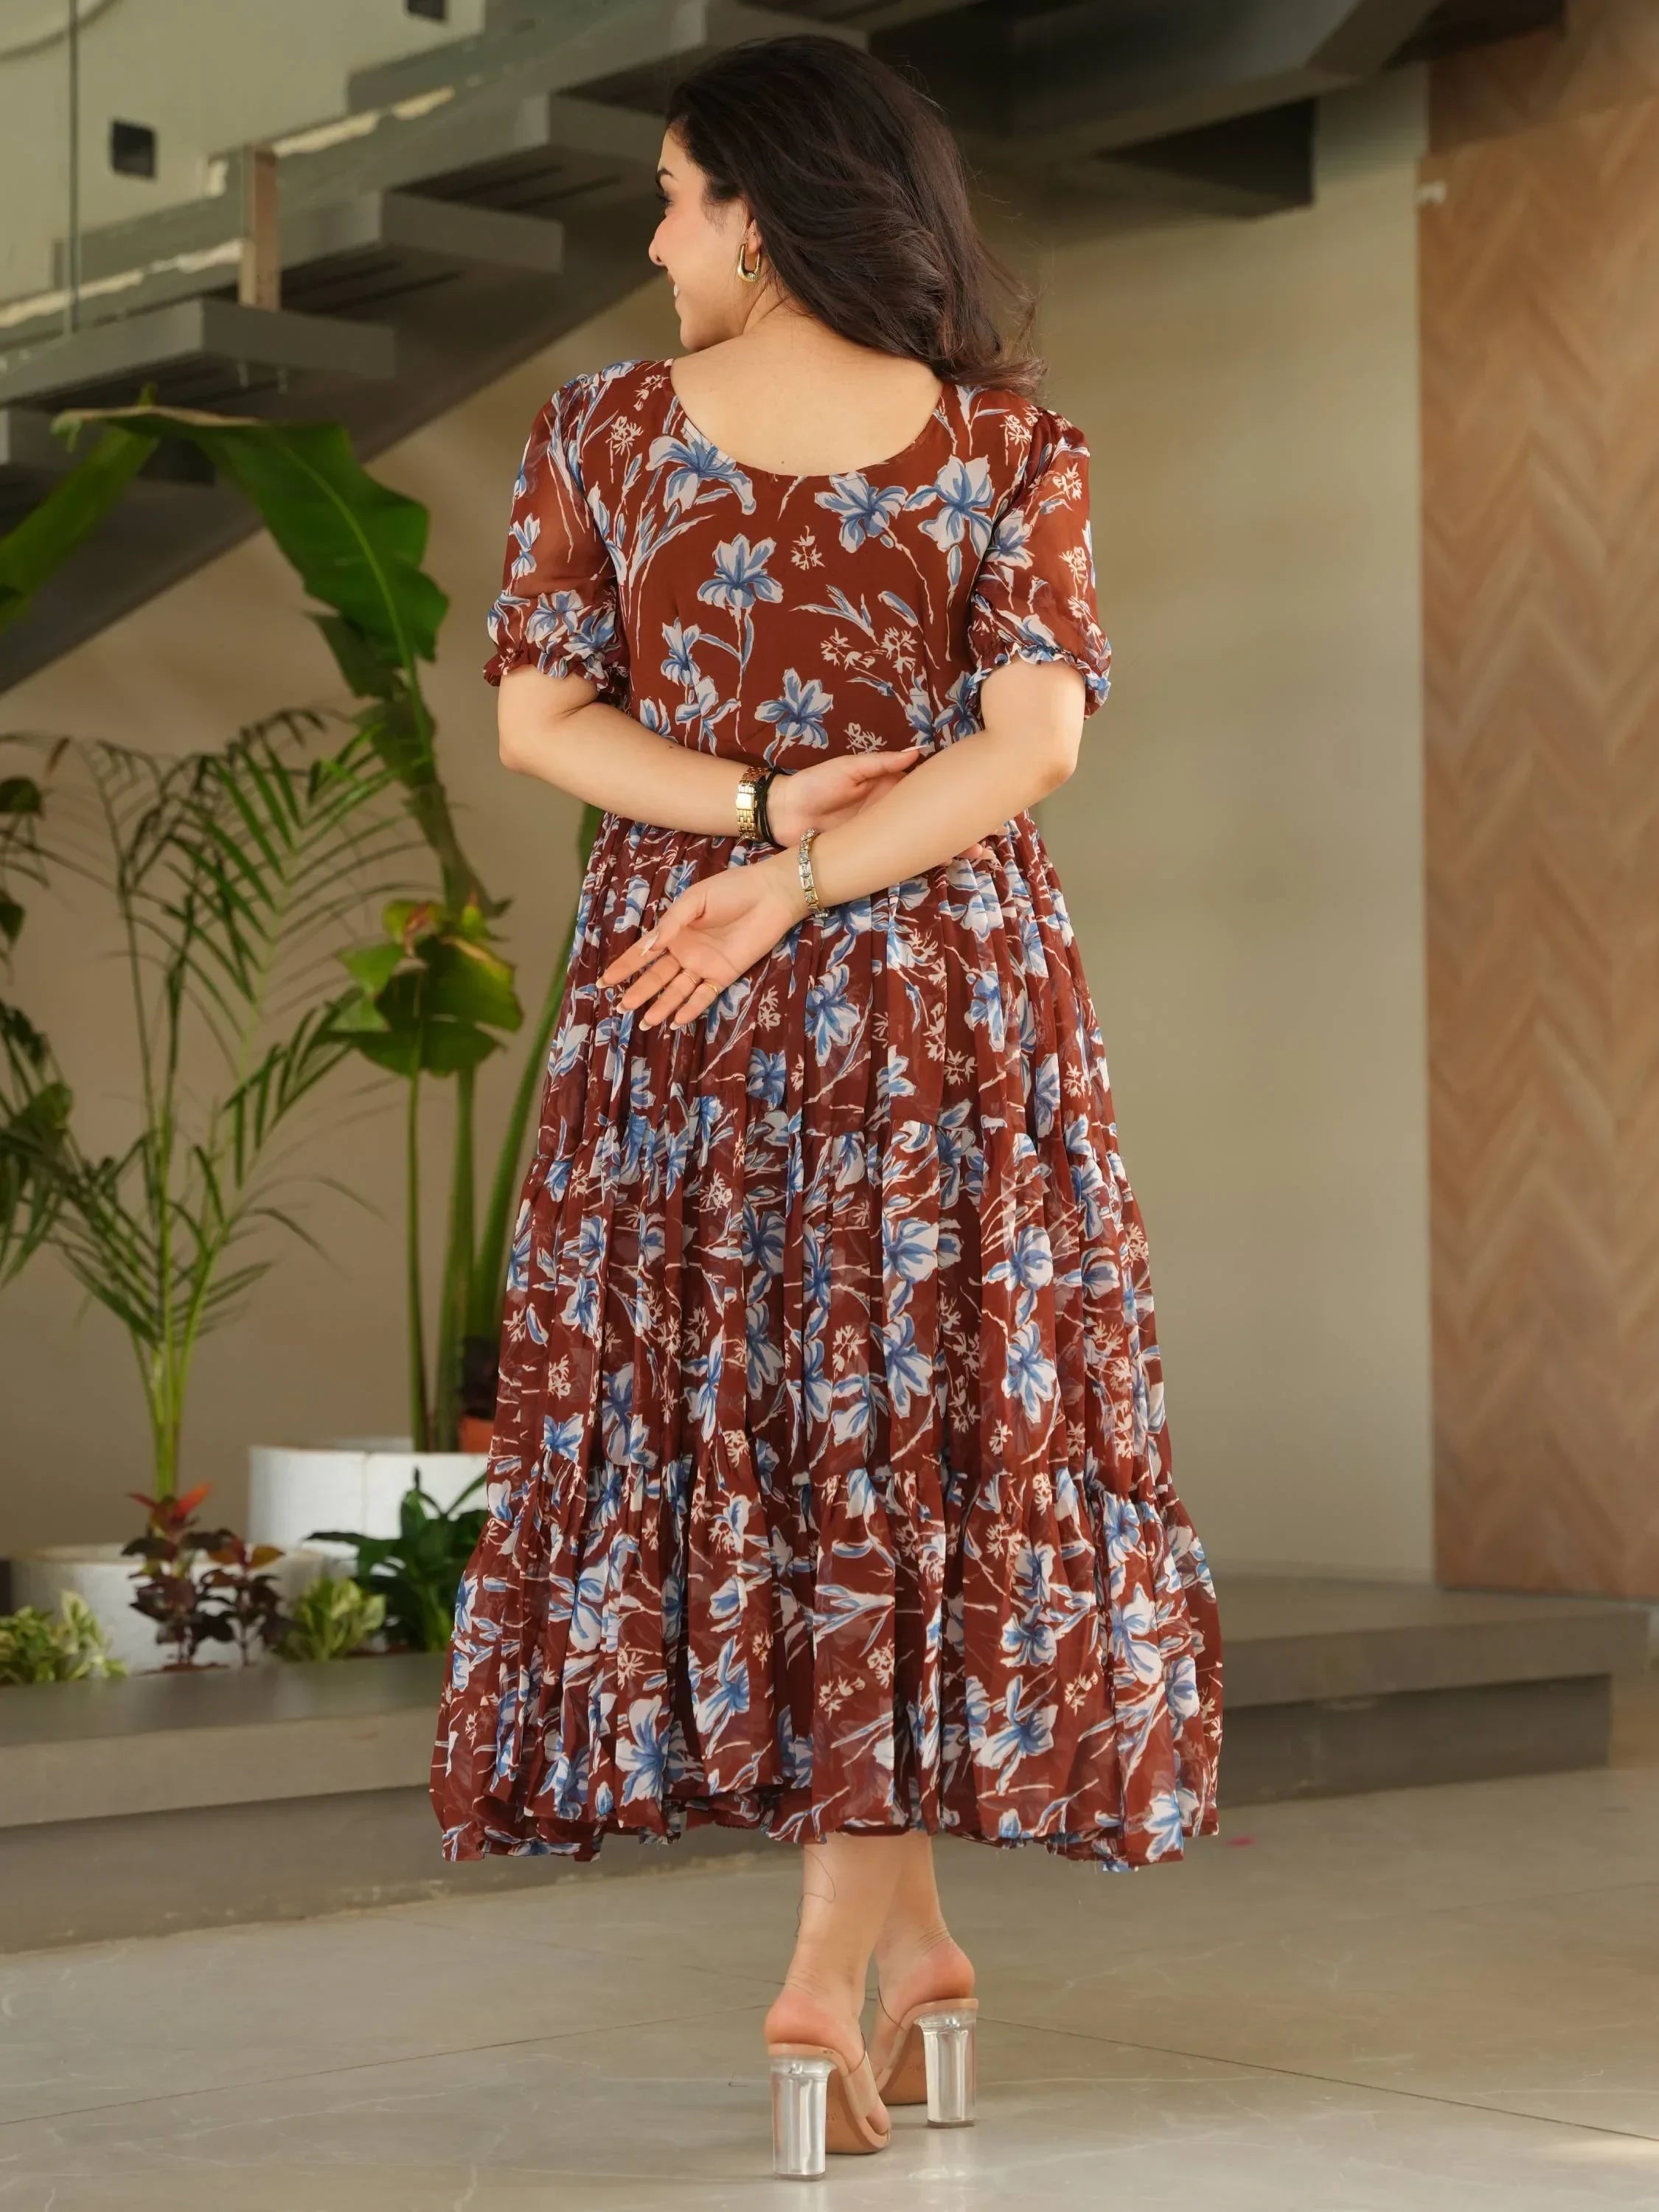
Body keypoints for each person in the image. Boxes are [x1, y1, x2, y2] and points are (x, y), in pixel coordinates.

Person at [429, 30, 1222, 2178]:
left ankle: (822, 1980)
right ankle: (898, 1964)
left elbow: (537, 724)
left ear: (762, 207)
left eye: (679, 190)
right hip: (946, 1021)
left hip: (679, 1010)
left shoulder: (595, 435)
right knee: (906, 1461)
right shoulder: (1003, 446)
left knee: (772, 1458)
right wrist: (801, 837)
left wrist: (748, 853)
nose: (655, 226)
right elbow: (1030, 746)